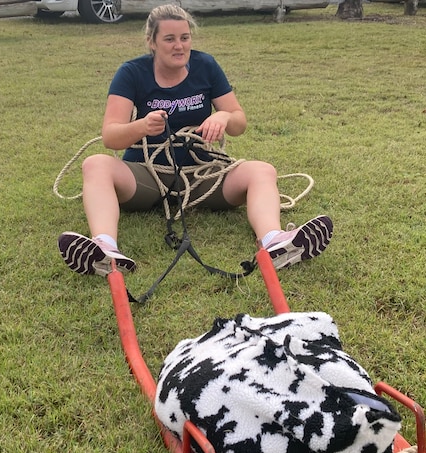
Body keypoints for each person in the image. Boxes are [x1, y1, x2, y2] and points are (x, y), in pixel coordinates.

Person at [58, 3, 332, 277]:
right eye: (169, 39)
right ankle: (105, 249)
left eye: (184, 38)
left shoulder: (206, 65)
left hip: (201, 176)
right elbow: (110, 136)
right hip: (147, 176)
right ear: (151, 42)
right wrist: (142, 126)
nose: (179, 46)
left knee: (262, 170)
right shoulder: (131, 72)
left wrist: (223, 117)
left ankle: (274, 241)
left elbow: (239, 122)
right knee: (95, 164)